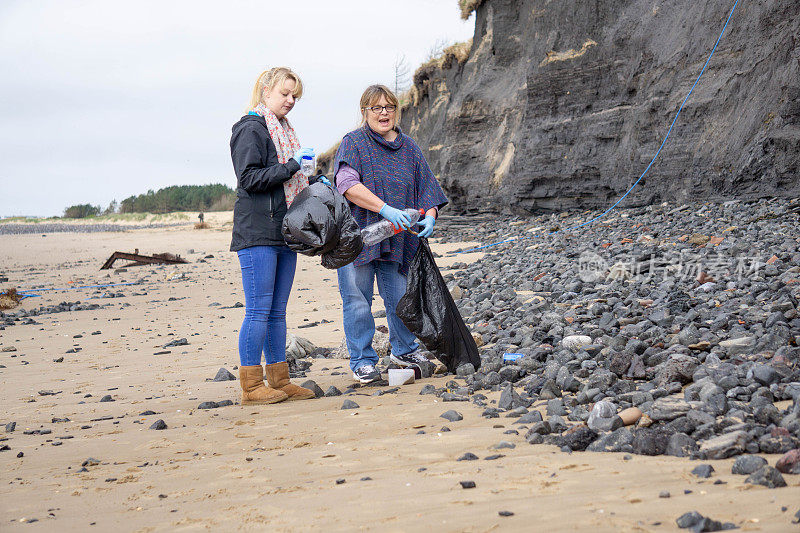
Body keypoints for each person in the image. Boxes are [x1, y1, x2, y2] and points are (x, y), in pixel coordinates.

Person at [229, 67, 331, 404]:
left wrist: (313, 179)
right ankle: (251, 387)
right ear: (265, 90)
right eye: (285, 93)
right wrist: (291, 166)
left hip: (286, 231)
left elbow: (289, 182)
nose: (290, 101)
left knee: (277, 312)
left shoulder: (285, 131)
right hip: (257, 232)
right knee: (258, 310)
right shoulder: (250, 127)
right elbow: (250, 178)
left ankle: (279, 379)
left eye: (295, 97)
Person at [334, 84, 448, 383]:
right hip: (357, 239)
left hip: (398, 239)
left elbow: (428, 188)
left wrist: (431, 216)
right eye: (376, 108)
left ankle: (404, 350)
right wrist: (384, 209)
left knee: (400, 298)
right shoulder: (353, 143)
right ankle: (363, 360)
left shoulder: (408, 147)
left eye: (389, 107)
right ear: (364, 112)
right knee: (358, 301)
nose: (384, 113)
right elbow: (346, 183)